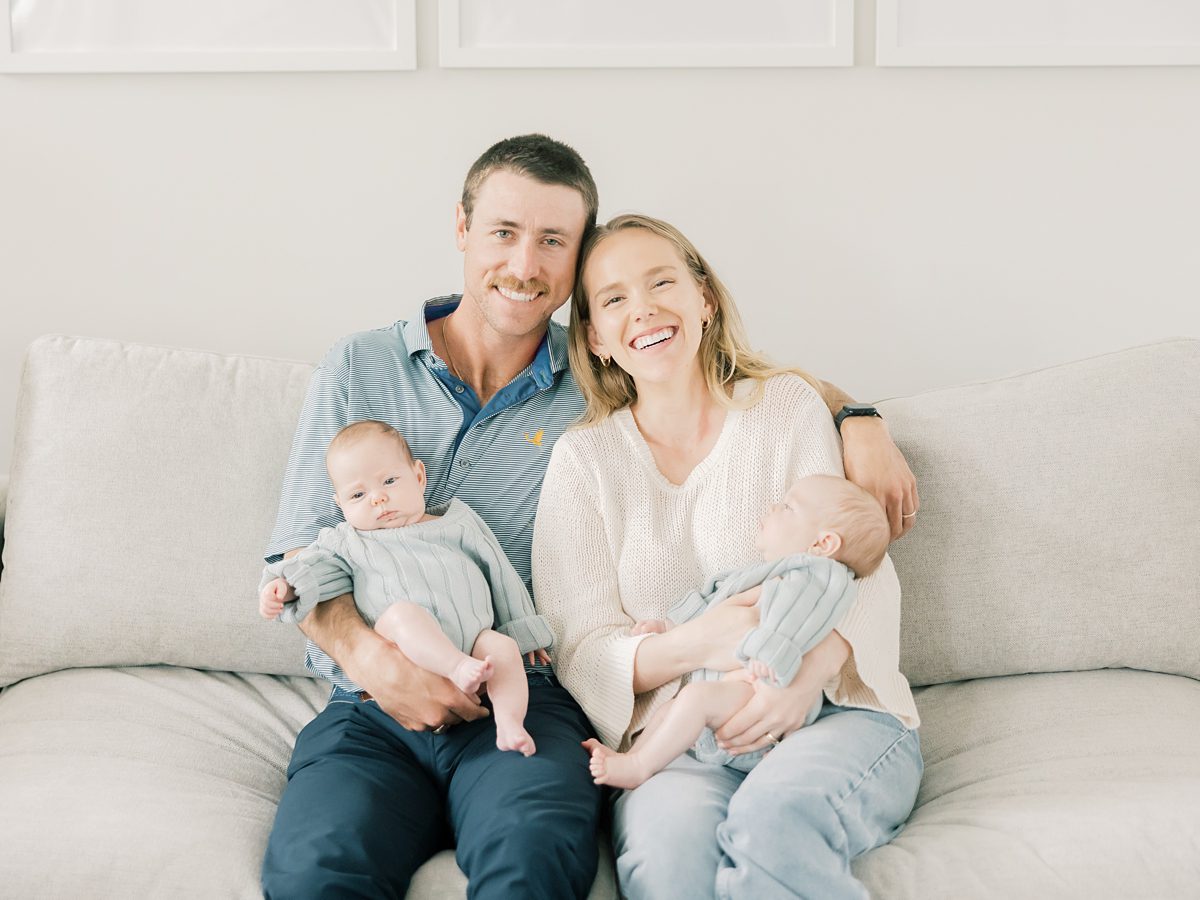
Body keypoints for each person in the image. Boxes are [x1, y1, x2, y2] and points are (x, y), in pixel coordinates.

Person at [260, 134, 917, 899]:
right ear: (463, 229)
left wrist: (860, 415)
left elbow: (747, 383)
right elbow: (296, 559)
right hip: (376, 703)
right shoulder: (368, 369)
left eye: (552, 242)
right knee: (316, 871)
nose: (524, 264)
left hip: (526, 692)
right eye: (504, 232)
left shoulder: (593, 379)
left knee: (538, 859)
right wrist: (378, 664)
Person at [532, 213, 924, 900]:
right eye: (615, 298)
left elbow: (853, 564)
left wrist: (808, 675)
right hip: (682, 739)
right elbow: (580, 648)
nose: (644, 308)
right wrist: (694, 643)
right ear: (594, 337)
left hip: (828, 712)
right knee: (669, 867)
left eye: (662, 282)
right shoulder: (582, 461)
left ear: (704, 299)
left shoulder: (785, 409)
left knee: (775, 822)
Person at [259, 420, 553, 756]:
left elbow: (501, 575)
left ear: (418, 477)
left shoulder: (458, 523)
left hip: (474, 642)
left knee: (502, 647)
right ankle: (454, 667)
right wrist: (287, 587)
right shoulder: (348, 542)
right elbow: (318, 573)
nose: (378, 498)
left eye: (389, 481)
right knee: (403, 615)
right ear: (340, 505)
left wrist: (526, 631)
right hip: (403, 652)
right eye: (358, 494)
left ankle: (510, 724)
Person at [583, 473, 891, 789]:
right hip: (737, 694)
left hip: (764, 687)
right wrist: (669, 627)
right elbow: (717, 601)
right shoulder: (769, 574)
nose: (772, 507)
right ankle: (633, 758)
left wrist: (769, 653)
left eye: (787, 507)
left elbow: (794, 617)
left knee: (693, 700)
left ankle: (638, 766)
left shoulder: (819, 575)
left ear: (823, 543)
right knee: (669, 710)